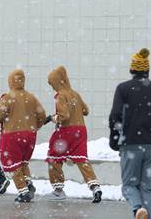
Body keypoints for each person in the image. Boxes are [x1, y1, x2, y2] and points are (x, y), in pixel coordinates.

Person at [109, 48, 151, 219]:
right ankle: (148, 215)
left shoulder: (123, 89)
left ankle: (138, 209)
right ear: (147, 70)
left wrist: (115, 139)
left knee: (129, 185)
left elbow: (115, 117)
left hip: (130, 145)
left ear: (132, 70)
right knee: (149, 187)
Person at [46, 65, 102, 203]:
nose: (52, 87)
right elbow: (86, 110)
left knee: (54, 157)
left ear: (57, 82)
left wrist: (52, 118)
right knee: (81, 159)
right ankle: (95, 186)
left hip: (66, 131)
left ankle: (58, 190)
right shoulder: (75, 93)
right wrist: (75, 109)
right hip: (81, 130)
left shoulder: (60, 96)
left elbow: (64, 116)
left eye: (52, 84)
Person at [0, 69, 46, 203]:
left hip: (12, 135)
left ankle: (23, 191)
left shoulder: (8, 97)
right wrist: (35, 126)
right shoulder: (31, 97)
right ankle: (28, 183)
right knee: (23, 162)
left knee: (14, 164)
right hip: (30, 135)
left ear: (10, 81)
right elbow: (42, 115)